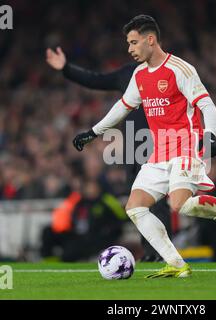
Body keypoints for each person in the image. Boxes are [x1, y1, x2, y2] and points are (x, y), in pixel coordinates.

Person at [72, 15, 216, 278]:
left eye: (133, 42)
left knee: (180, 204)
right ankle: (177, 264)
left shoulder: (179, 69)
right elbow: (123, 106)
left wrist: (210, 135)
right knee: (135, 207)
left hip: (186, 147)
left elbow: (206, 104)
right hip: (159, 153)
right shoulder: (140, 75)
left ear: (150, 40)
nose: (129, 49)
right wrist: (93, 132)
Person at [46, 46, 171, 262]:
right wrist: (66, 68)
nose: (132, 48)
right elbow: (97, 80)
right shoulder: (127, 73)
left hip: (159, 148)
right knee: (139, 204)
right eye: (130, 43)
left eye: (136, 42)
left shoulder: (170, 71)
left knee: (157, 202)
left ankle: (162, 252)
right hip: (133, 152)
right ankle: (150, 253)